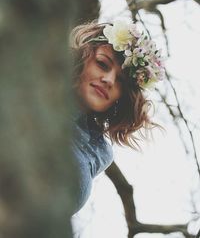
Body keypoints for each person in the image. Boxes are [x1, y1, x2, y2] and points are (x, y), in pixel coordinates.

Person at [68, 19, 165, 216]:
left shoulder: (98, 152)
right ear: (81, 58)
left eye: (121, 81)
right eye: (102, 64)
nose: (109, 80)